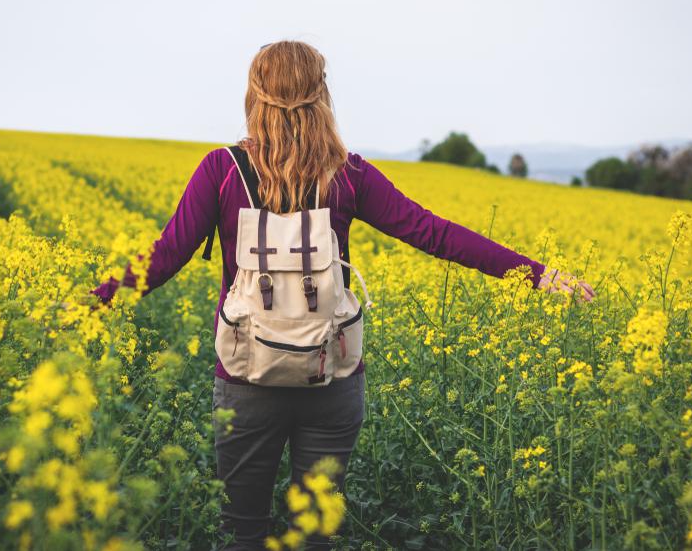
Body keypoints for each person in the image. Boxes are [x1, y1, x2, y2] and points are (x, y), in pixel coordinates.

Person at [91, 40, 595, 549]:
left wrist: (93, 301)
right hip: (330, 375)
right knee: (315, 536)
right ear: (322, 95)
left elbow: (164, 257)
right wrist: (539, 275)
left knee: (241, 532)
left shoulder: (222, 171)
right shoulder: (348, 174)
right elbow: (435, 234)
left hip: (246, 376)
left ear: (254, 96)